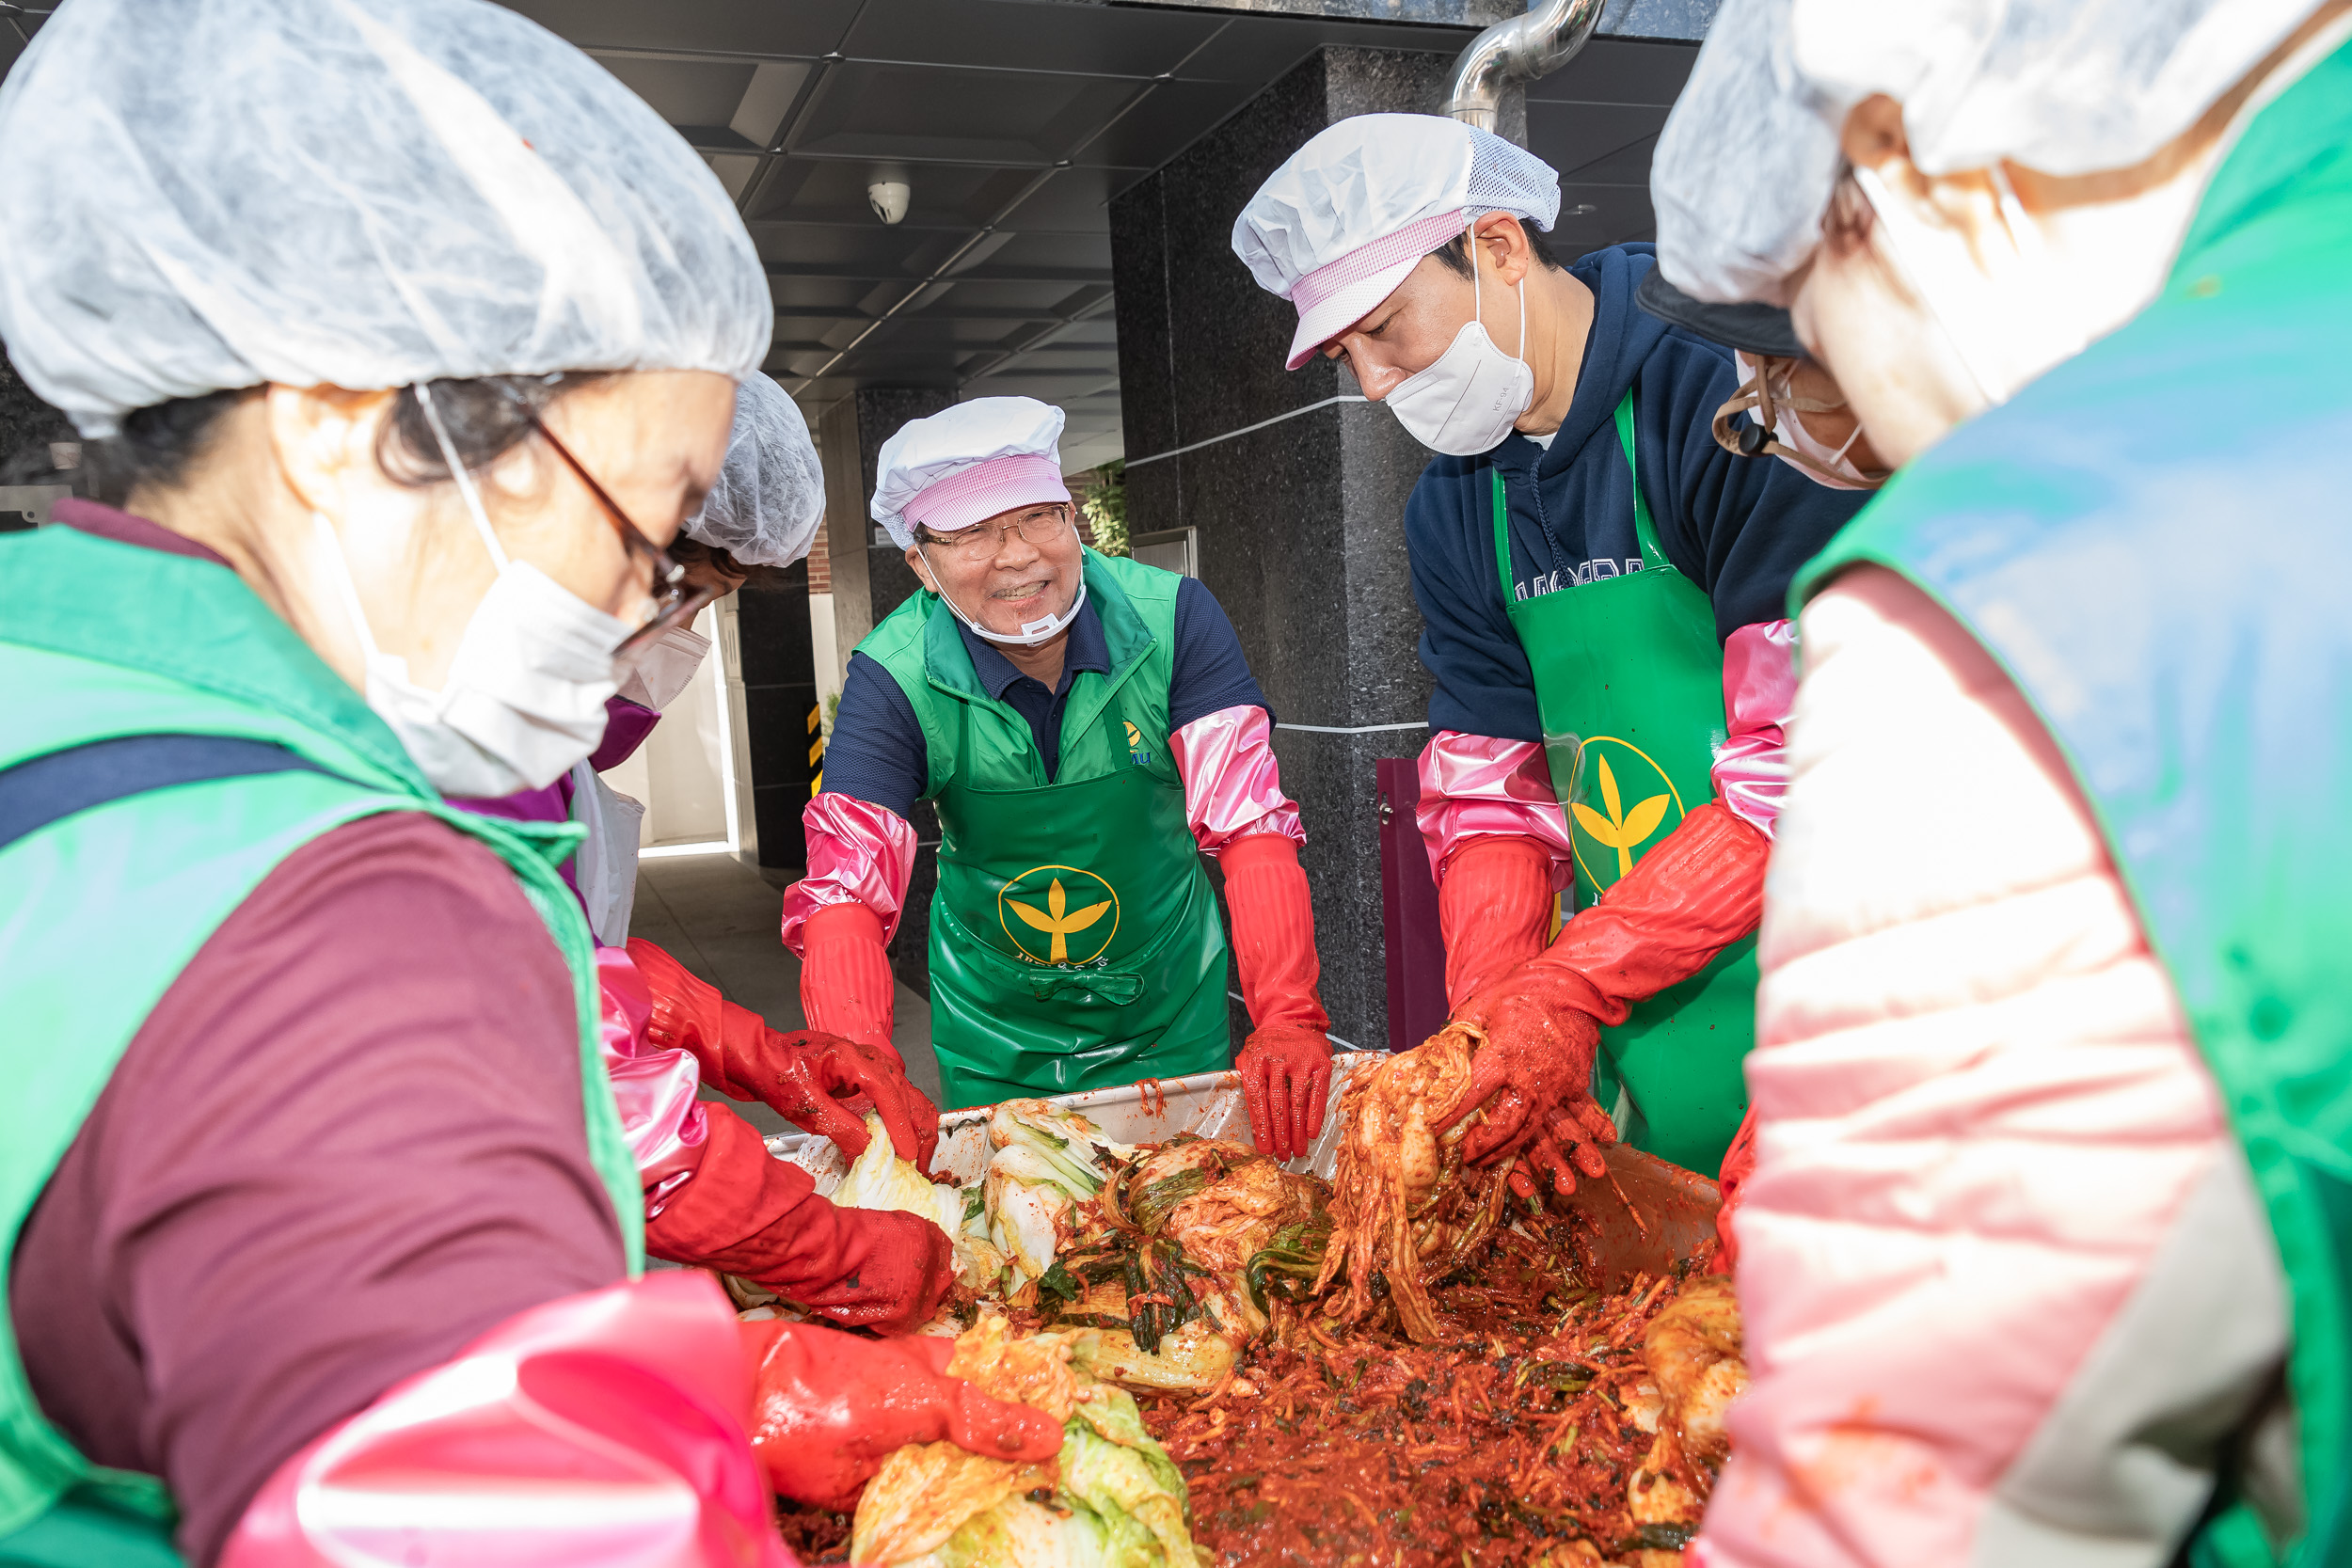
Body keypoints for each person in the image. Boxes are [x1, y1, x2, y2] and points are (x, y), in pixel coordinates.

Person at [0, 3, 1059, 1563]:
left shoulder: (65, 696)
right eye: (635, 535)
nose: (636, 615)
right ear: (346, 427)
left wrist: (709, 1360)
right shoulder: (349, 926)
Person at [1646, 0, 2352, 1561]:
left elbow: (1912, 1504)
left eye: (1814, 353)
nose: (1860, 439)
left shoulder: (2019, 591)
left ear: (1899, 172)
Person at [1231, 115, 1869, 1190]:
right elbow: (1490, 798)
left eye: (1387, 328)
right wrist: (1496, 1023)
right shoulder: (1451, 508)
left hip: (1838, 987)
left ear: (1496, 247)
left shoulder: (1731, 393)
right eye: (1347, 355)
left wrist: (1568, 985)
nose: (1376, 384)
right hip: (1641, 1010)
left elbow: (1800, 768)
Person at [454, 371, 954, 1332]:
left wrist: (745, 1042)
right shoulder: (463, 718)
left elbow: (545, 960)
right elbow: (574, 1071)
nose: (678, 629)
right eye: (681, 588)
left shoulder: (532, 734)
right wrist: (828, 1250)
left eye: (707, 604)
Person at [785, 396, 1336, 1157]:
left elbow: (1251, 826)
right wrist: (858, 1066)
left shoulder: (1174, 620)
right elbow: (846, 891)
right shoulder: (894, 676)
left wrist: (1287, 1015)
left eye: (1039, 516)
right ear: (921, 563)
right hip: (995, 1030)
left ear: (1074, 519)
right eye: (973, 532)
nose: (1017, 557)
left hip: (1168, 1010)